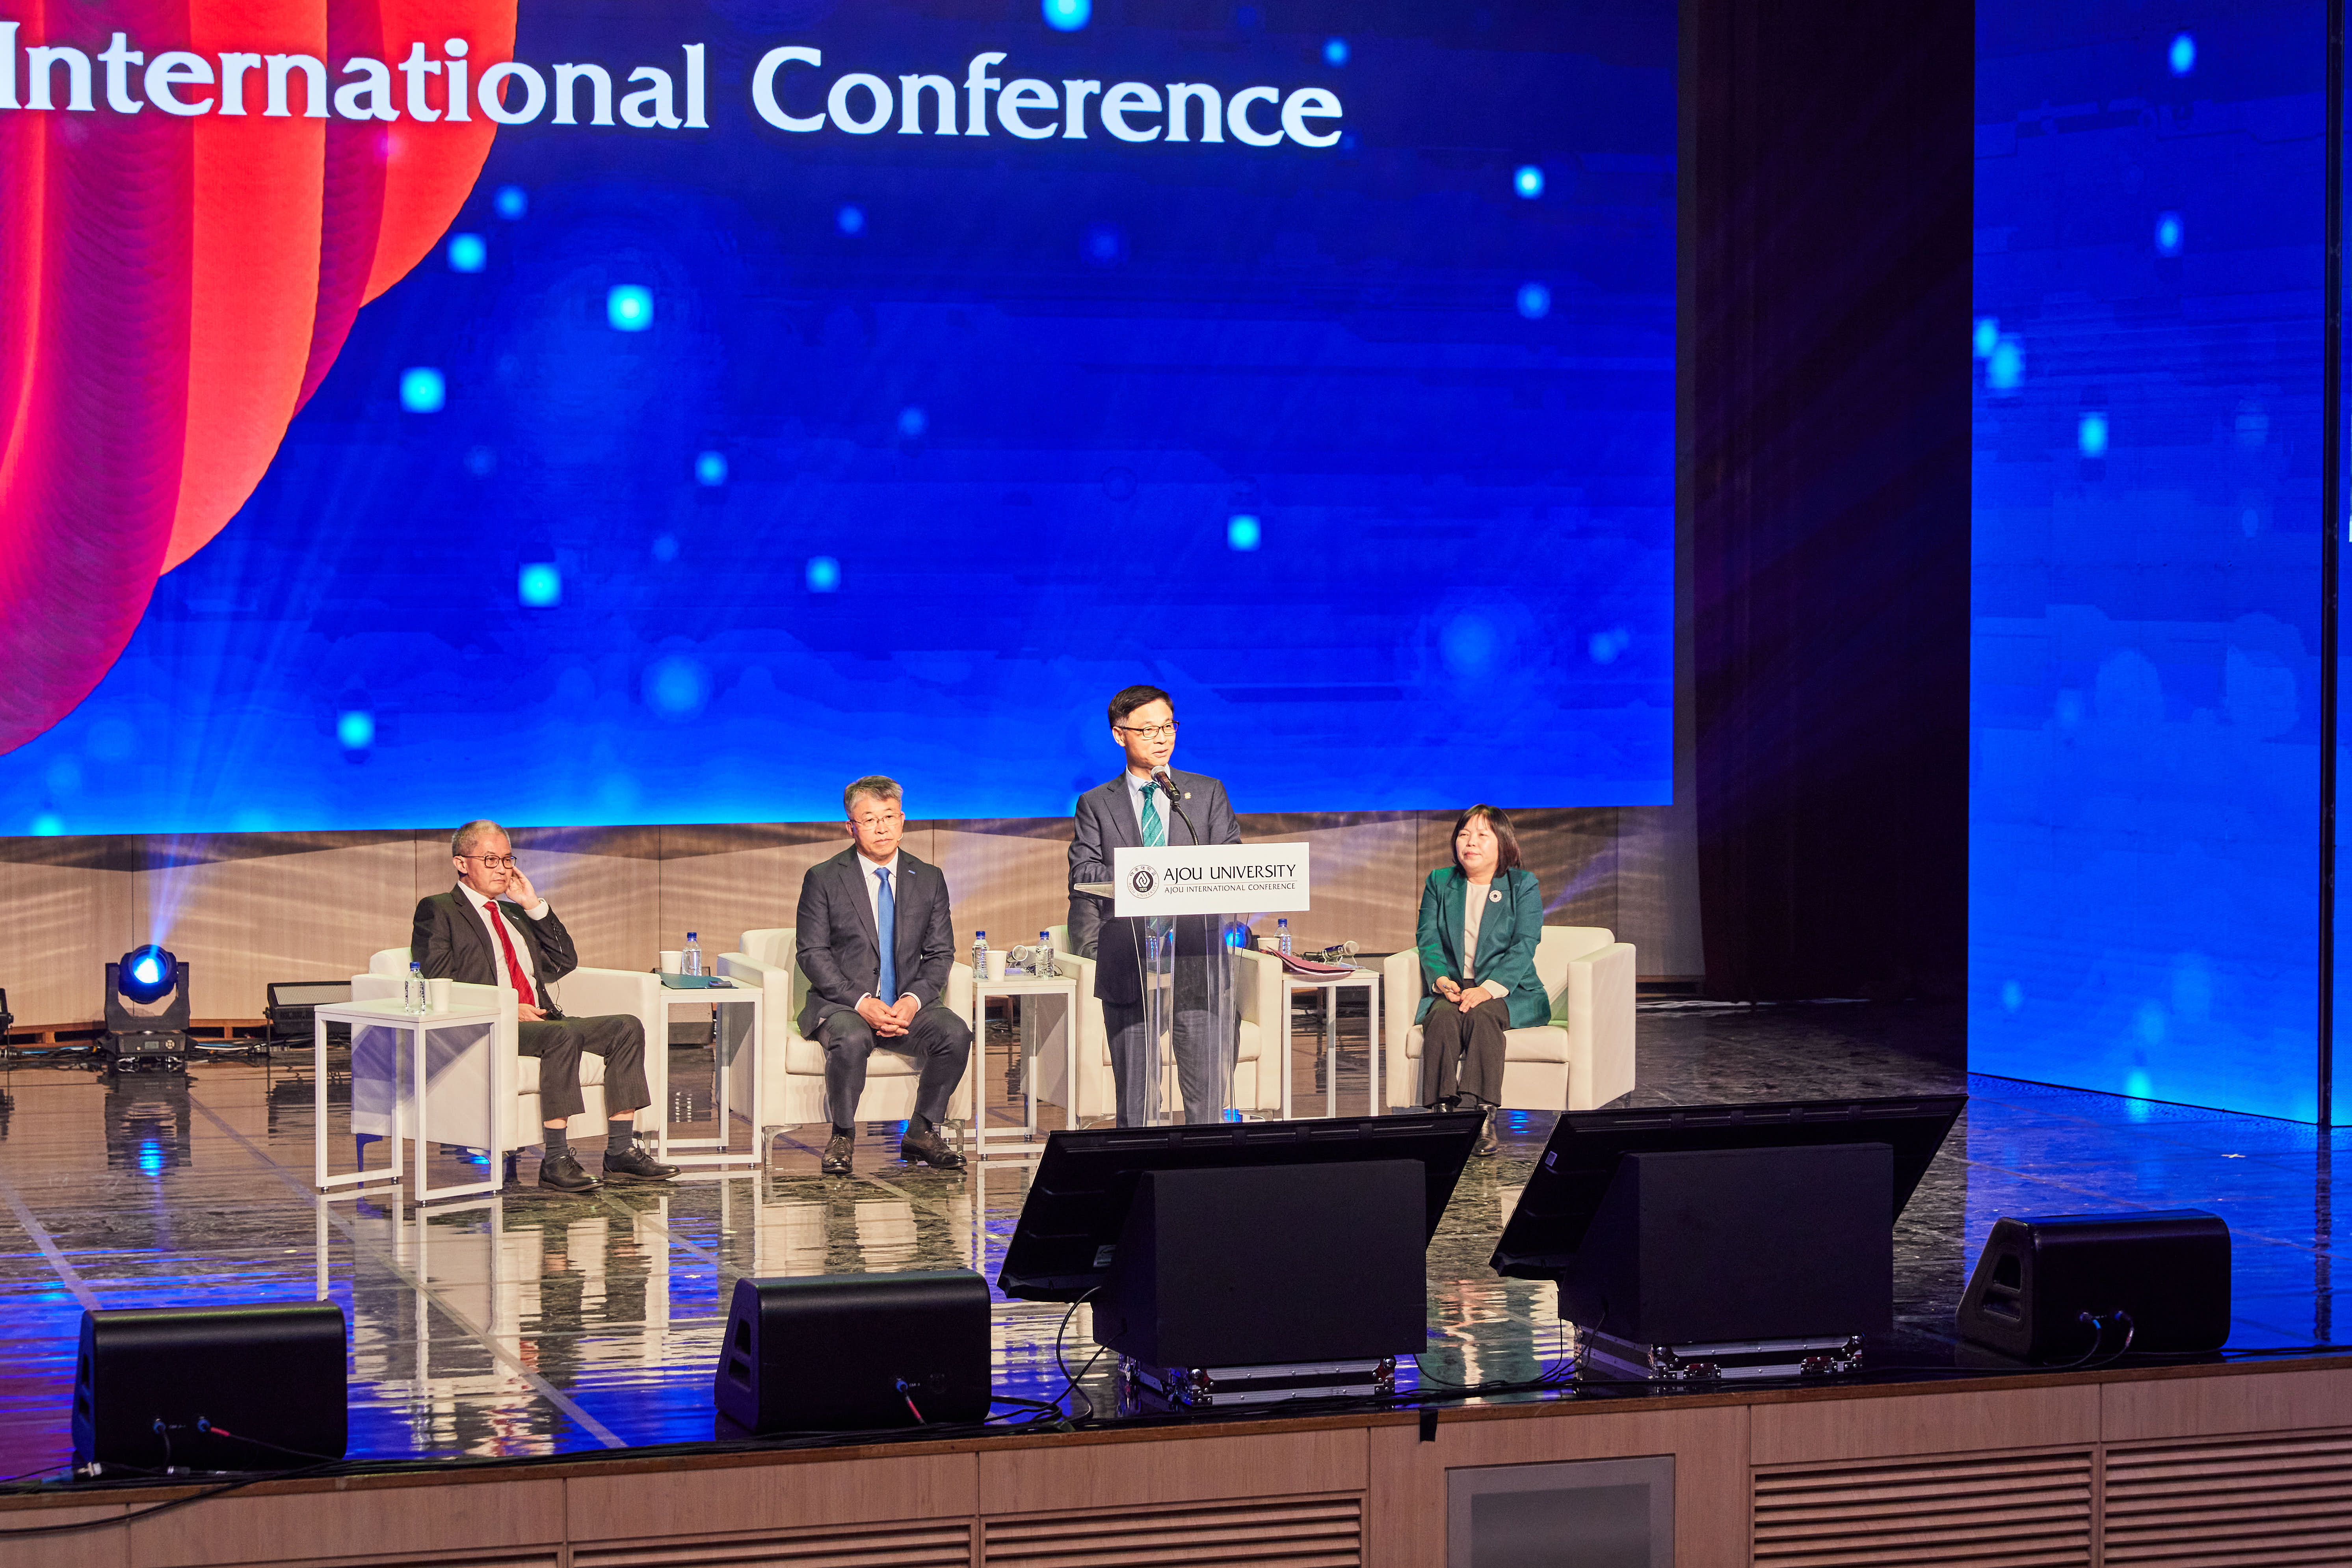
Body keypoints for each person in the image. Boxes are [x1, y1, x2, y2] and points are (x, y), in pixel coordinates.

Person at [412, 821, 677, 1193]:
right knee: (561, 1035)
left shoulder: (515, 914)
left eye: (507, 859)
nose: (502, 869)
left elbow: (564, 961)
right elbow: (439, 980)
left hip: (543, 1021)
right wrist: (507, 1007)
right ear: (461, 862)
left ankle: (620, 1152)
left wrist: (533, 905)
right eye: (490, 860)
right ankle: (555, 1159)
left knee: (626, 1026)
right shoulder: (439, 909)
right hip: (492, 1024)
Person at [1069, 684, 1241, 1126]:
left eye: (1168, 727)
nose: (1161, 738)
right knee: (1137, 1101)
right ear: (1119, 735)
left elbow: (1231, 864)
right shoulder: (1095, 804)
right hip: (1129, 960)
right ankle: (1139, 1165)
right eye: (1147, 730)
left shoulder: (1206, 794)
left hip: (1198, 960)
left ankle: (1206, 1165)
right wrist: (1144, 875)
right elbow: (1083, 873)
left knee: (1207, 1099)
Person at [795, 776, 971, 1176]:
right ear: (851, 827)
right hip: (844, 1005)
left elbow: (940, 953)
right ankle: (842, 1135)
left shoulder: (928, 877)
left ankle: (922, 1130)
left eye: (889, 817)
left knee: (955, 1033)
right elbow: (812, 953)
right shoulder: (823, 878)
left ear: (902, 820)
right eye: (870, 819)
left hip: (906, 1004)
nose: (881, 828)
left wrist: (912, 1000)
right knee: (851, 1037)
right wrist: (862, 1003)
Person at [1414, 804, 1548, 1158]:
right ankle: (1442, 1114)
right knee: (1441, 1017)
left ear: (1502, 843)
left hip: (1509, 989)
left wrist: (1488, 989)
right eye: (1464, 834)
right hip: (1455, 986)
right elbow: (1427, 938)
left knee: (1482, 1015)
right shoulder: (1440, 882)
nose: (1470, 842)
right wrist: (1440, 980)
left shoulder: (1522, 884)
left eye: (1481, 835)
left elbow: (1525, 944)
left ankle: (1481, 1116)